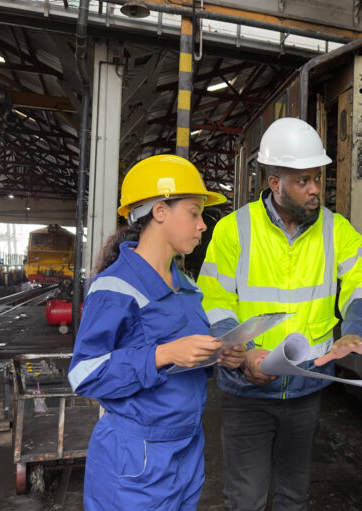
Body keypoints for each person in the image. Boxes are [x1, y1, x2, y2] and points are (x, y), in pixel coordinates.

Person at [197, 117, 362, 511]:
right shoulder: (233, 231)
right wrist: (242, 355)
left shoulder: (338, 231)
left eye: (317, 178)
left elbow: (361, 284)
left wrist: (356, 329)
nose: (315, 189)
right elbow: (213, 300)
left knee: (294, 498)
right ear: (274, 182)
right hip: (247, 390)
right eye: (302, 181)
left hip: (305, 390)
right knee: (245, 499)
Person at [68, 155, 242, 510]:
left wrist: (219, 355)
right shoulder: (114, 287)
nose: (202, 225)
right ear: (160, 211)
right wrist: (162, 354)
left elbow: (186, 358)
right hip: (136, 459)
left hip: (186, 448)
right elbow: (84, 373)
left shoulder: (188, 288)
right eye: (194, 212)